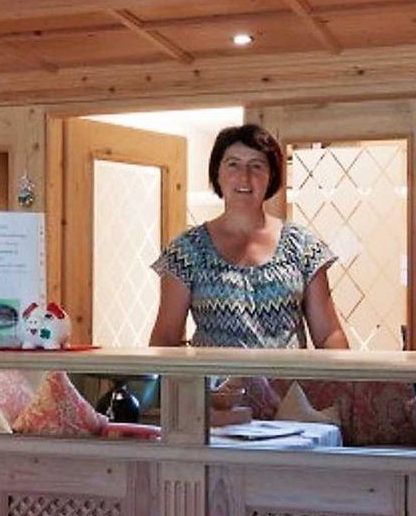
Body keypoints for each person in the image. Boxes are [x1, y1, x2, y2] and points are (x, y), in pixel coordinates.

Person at [148, 123, 350, 350]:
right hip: (212, 375)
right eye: (233, 164)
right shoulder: (186, 251)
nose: (244, 177)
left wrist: (343, 370)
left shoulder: (303, 247)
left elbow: (329, 334)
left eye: (256, 166)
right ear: (217, 173)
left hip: (289, 375)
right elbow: (165, 338)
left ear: (271, 176)